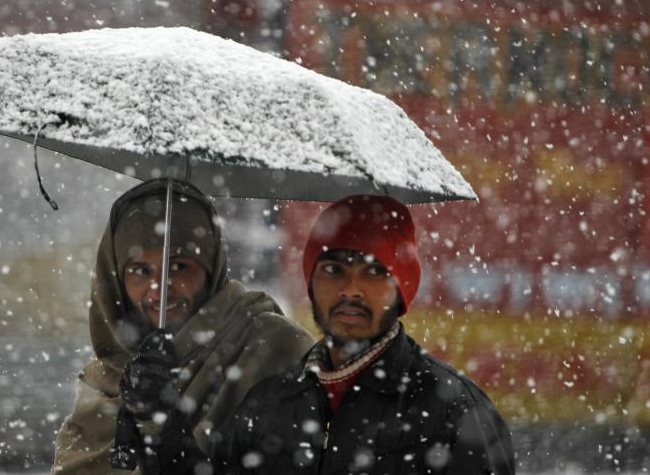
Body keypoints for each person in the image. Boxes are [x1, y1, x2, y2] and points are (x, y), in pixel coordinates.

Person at [213, 194, 516, 474]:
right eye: (334, 270)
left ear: (401, 289)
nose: (351, 291)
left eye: (373, 272)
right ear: (311, 283)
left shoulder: (453, 410)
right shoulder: (267, 404)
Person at [51, 178, 314, 474]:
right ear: (115, 281)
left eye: (178, 266)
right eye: (140, 270)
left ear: (211, 268)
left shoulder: (271, 348)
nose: (160, 288)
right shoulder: (110, 375)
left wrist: (163, 425)